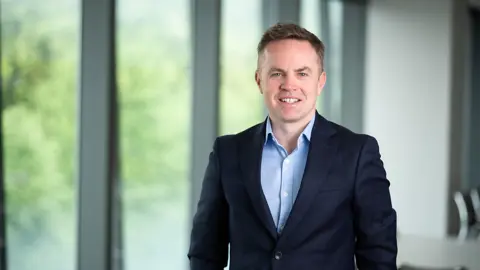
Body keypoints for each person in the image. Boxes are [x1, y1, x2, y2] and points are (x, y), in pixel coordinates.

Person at [188, 22, 397, 270]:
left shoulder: (357, 152)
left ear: (320, 82)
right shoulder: (228, 153)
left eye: (302, 73)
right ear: (259, 80)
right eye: (277, 73)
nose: (289, 84)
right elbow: (205, 252)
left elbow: (378, 253)